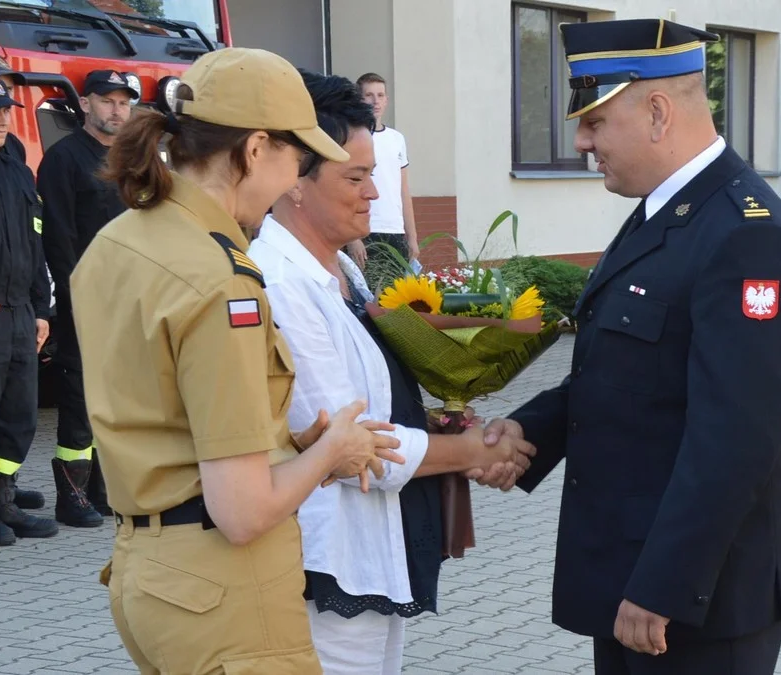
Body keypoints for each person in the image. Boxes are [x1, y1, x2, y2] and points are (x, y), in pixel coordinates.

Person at [479, 19, 781, 675]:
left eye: (595, 122)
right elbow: (625, 373)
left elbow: (735, 435)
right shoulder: (668, 211)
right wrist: (529, 431)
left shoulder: (746, 234)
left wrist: (664, 584)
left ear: (658, 112)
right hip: (636, 576)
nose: (582, 141)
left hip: (699, 601)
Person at [69, 47, 406, 674]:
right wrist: (332, 451)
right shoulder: (222, 280)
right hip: (223, 592)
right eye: (296, 159)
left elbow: (169, 415)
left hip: (150, 573)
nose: (292, 181)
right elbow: (243, 511)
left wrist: (295, 448)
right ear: (255, 150)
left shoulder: (118, 242)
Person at [248, 70, 535, 675]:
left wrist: (440, 418)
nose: (373, 194)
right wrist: (470, 451)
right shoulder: (280, 284)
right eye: (354, 177)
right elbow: (350, 443)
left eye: (372, 174)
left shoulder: (343, 273)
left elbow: (370, 405)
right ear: (295, 181)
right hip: (325, 558)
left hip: (370, 548)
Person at [37, 69, 138, 527]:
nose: (117, 110)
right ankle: (72, 493)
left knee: (117, 399)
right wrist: (75, 297)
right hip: (86, 297)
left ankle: (104, 487)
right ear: (85, 105)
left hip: (130, 298)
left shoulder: (130, 160)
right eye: (107, 101)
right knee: (80, 395)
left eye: (124, 102)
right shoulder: (64, 159)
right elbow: (58, 237)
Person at [0, 58, 59, 547]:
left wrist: (43, 310)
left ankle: (5, 499)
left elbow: (34, 240)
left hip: (22, 311)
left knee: (19, 413)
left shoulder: (16, 167)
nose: (3, 119)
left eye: (6, 109)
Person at [344, 73, 418, 284]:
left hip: (395, 231)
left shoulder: (397, 139)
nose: (375, 101)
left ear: (386, 100)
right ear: (360, 99)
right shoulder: (352, 137)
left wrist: (412, 238)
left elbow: (404, 191)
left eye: (380, 95)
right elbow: (347, 187)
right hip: (365, 230)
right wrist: (353, 238)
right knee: (364, 298)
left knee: (392, 300)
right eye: (369, 95)